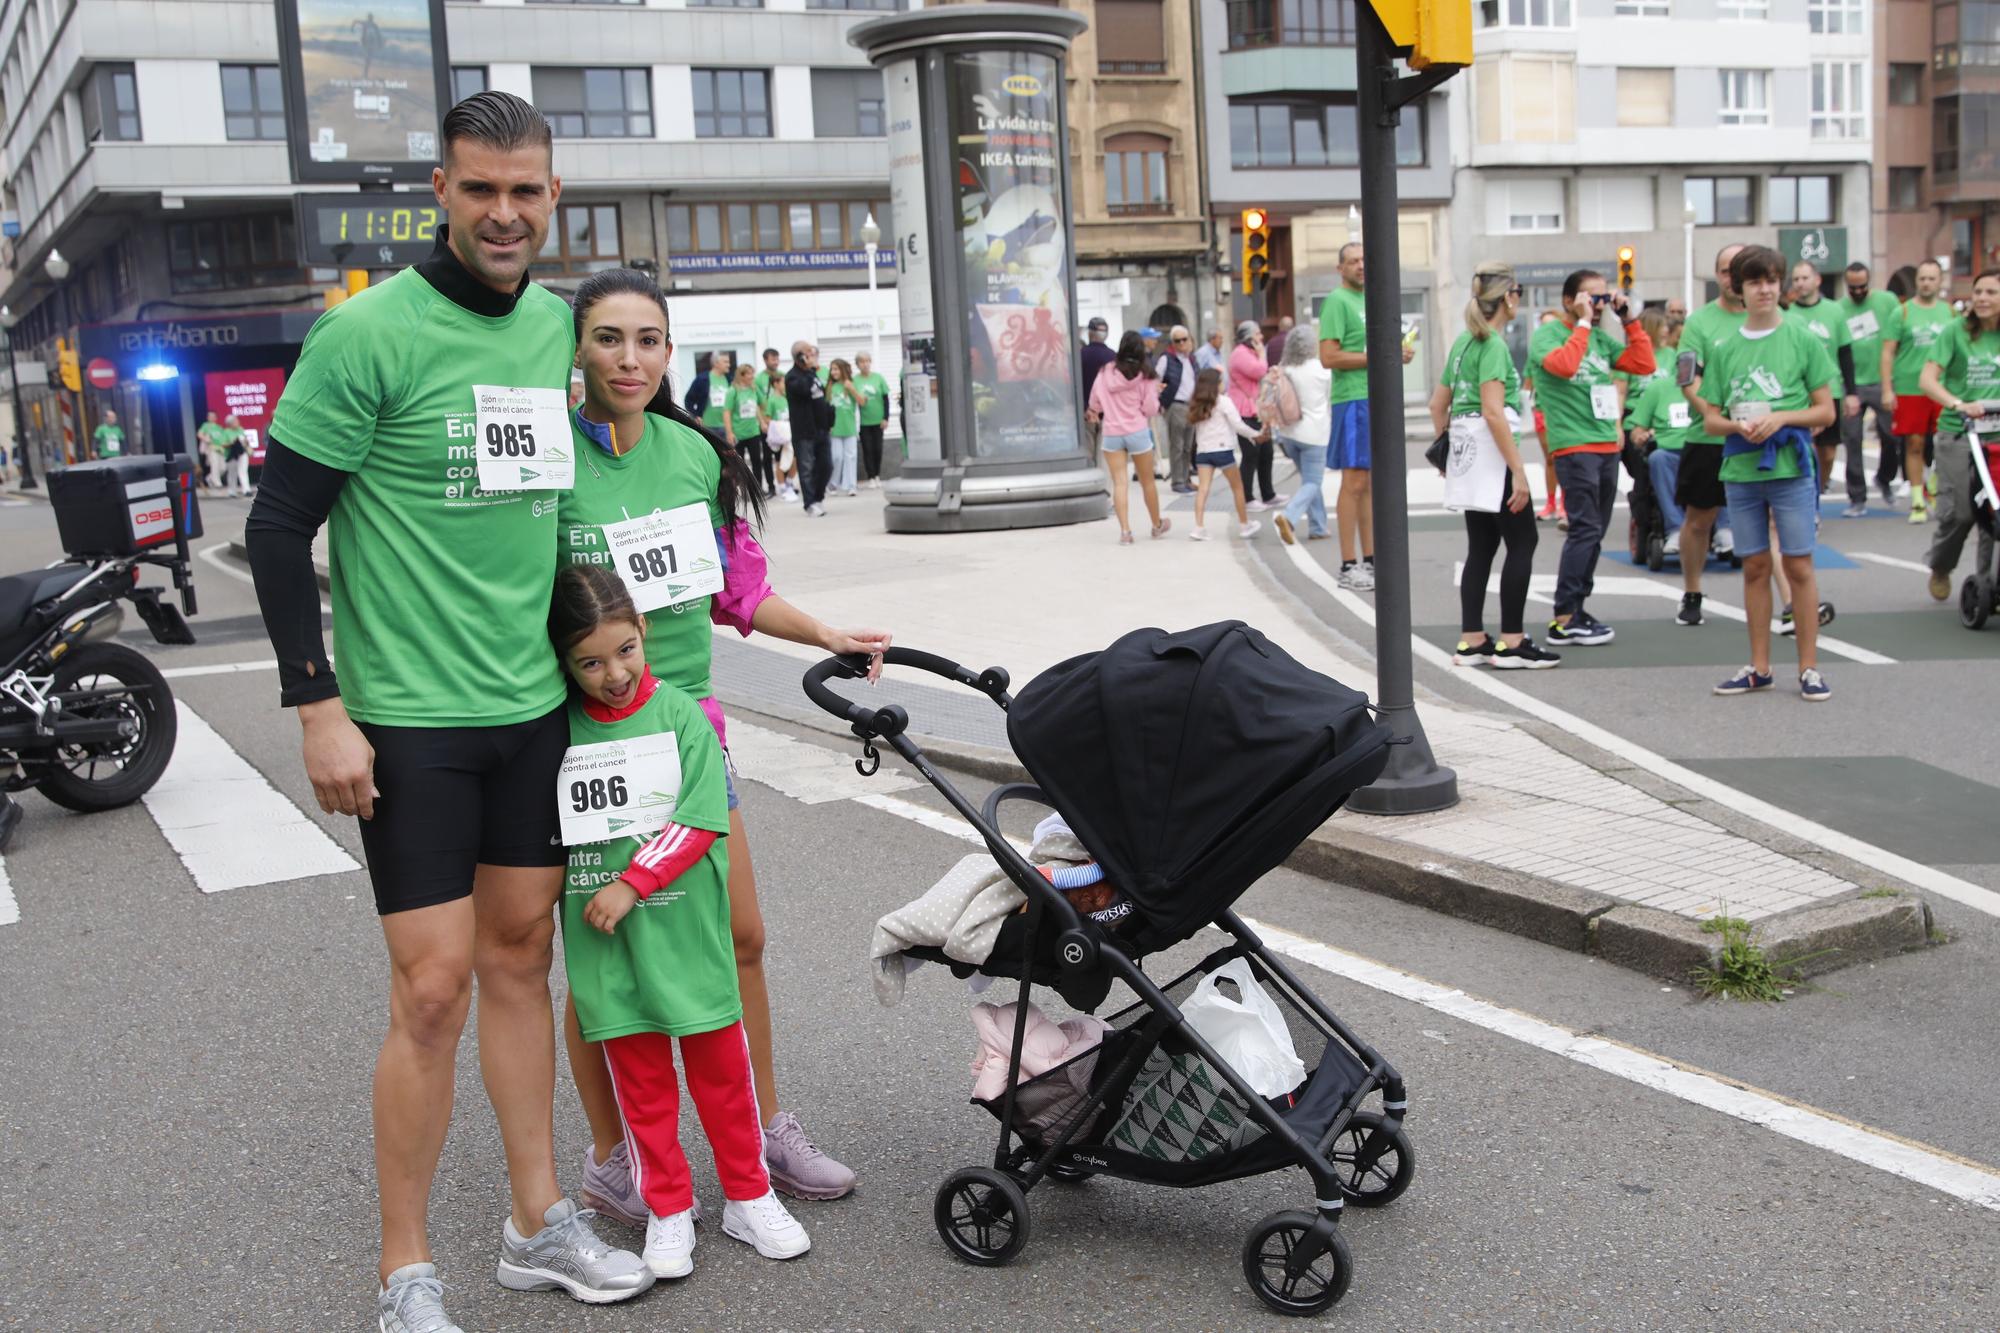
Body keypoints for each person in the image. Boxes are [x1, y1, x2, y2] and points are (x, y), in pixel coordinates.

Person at [245, 92, 653, 1332]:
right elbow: (275, 525)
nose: (504, 212)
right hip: (408, 721)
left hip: (529, 710)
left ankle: (537, 1223)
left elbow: (618, 444)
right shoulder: (366, 335)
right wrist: (317, 704)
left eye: (526, 190)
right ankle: (404, 1269)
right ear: (439, 191)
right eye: (480, 189)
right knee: (431, 990)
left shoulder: (551, 332)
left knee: (523, 962)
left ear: (554, 198)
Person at [558, 267, 887, 1218]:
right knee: (599, 954)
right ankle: (613, 1153)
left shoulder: (696, 455)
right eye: (610, 338)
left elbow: (734, 590)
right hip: (589, 745)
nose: (630, 358)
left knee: (741, 935)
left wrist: (825, 632)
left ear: (672, 351)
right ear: (577, 347)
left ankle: (765, 1127)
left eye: (649, 339)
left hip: (690, 734)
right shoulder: (548, 464)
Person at [548, 564, 813, 1278]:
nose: (614, 673)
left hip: (683, 928)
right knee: (642, 1086)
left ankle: (748, 1193)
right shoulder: (558, 726)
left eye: (626, 649)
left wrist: (635, 882)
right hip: (607, 944)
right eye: (591, 661)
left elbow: (699, 817)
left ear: (645, 633)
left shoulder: (680, 716)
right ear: (565, 664)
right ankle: (667, 1207)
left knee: (724, 1073)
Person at [1691, 244, 1836, 702]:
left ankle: (1809, 667)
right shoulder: (1727, 346)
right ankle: (1759, 667)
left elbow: (1826, 411)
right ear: (1738, 288)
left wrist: (1782, 418)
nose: (1765, 290)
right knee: (1753, 565)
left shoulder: (1802, 338)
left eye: (1772, 280)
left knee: (1798, 563)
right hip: (1740, 467)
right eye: (1755, 282)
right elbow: (1710, 417)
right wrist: (1738, 426)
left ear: (1782, 284)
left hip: (1791, 467)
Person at [1430, 262, 1557, 669]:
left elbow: (1438, 404)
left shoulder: (1464, 343)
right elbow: (1493, 411)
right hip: (1493, 454)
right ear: (1508, 297)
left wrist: (1447, 452)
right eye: (1516, 291)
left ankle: (1472, 639)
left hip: (1468, 452)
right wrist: (1518, 470)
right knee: (1523, 542)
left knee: (1481, 547)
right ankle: (1512, 640)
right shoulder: (1494, 346)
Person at [1530, 268, 1656, 646]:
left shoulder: (1600, 338)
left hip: (1605, 445)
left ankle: (1577, 608)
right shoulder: (1548, 335)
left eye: (1603, 297)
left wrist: (1629, 319)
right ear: (1570, 300)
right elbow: (1564, 366)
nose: (1599, 304)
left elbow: (1643, 364)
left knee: (1595, 532)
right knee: (1584, 529)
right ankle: (1565, 615)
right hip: (1574, 445)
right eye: (1591, 297)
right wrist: (1583, 322)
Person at [1319, 242, 1416, 589]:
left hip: (1375, 397)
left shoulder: (1370, 299)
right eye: (1353, 261)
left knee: (1370, 483)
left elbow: (1375, 351)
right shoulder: (1337, 301)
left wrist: (1396, 354)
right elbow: (1328, 356)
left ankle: (1371, 560)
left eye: (1365, 259)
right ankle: (1348, 565)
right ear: (1340, 268)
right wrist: (1380, 355)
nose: (1362, 265)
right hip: (1353, 399)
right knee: (1355, 482)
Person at [1674, 243, 1748, 628]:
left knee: (1768, 522)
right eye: (1725, 270)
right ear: (1717, 276)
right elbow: (1687, 378)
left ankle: (1786, 602)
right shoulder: (1699, 322)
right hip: (1708, 439)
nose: (1733, 278)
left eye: (1740, 270)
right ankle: (1692, 591)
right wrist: (1717, 415)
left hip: (1760, 440)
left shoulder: (1773, 318)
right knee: (1699, 520)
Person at [1919, 268, 2000, 603]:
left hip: (1996, 435)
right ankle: (1941, 565)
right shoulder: (1956, 332)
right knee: (1961, 513)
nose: (1982, 298)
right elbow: (1928, 379)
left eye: (1991, 293)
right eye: (1978, 292)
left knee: (1992, 514)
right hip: (1958, 433)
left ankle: (1987, 586)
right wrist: (1958, 403)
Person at [1783, 260, 1864, 515]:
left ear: (1817, 280)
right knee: (1802, 449)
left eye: (1804, 278)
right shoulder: (1787, 314)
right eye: (1795, 279)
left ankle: (1817, 490)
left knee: (1827, 453)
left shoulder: (1835, 311)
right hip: (1798, 394)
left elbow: (1845, 353)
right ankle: (1805, 504)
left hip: (1830, 391)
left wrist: (1852, 393)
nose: (1800, 283)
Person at [1882, 258, 1956, 523]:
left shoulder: (1950, 313)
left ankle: (1933, 484)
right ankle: (1917, 500)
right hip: (1909, 387)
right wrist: (1888, 389)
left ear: (1939, 281)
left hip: (1943, 389)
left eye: (1931, 278)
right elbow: (1888, 352)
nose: (1926, 283)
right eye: (1922, 278)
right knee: (1914, 443)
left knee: (1944, 443)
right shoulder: (1901, 313)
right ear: (1916, 282)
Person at [1085, 330, 1168, 545]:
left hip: (1112, 432)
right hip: (1137, 431)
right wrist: (1155, 397)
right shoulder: (1147, 374)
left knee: (1120, 483)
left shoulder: (1106, 371)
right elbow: (1150, 409)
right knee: (1148, 482)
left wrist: (1100, 409)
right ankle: (1157, 525)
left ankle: (1125, 532)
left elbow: (1094, 402)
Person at [1837, 262, 1903, 502]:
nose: (1857, 292)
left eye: (1861, 287)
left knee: (1891, 436)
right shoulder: (1839, 309)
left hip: (1882, 380)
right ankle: (1857, 496)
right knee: (1852, 439)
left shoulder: (1887, 301)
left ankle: (1885, 477)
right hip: (1851, 383)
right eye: (1852, 287)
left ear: (1869, 282)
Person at [1630, 315, 1692, 559]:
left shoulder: (1708, 385)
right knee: (1657, 459)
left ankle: (1724, 529)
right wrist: (1641, 435)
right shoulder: (1659, 387)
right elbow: (1637, 428)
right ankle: (1675, 528)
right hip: (1670, 450)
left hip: (1700, 448)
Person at [1183, 367, 1262, 542]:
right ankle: (1244, 524)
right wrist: (1255, 435)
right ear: (1215, 384)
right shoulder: (1224, 401)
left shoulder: (1196, 403)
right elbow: (1238, 425)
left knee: (1203, 489)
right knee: (1237, 487)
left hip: (1203, 452)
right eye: (1221, 381)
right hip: (1223, 450)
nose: (1223, 384)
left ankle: (1198, 527)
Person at [1272, 325, 1333, 545]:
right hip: (1315, 433)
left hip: (1288, 433)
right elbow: (1330, 399)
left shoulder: (1284, 368)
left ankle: (1318, 526)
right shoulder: (1322, 369)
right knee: (1313, 482)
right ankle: (1288, 517)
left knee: (1308, 480)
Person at [1228, 320, 1276, 509]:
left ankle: (1268, 494)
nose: (1261, 337)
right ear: (1248, 337)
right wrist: (1263, 354)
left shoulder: (1248, 352)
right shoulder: (1240, 354)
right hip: (1244, 410)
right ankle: (1246, 498)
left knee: (1266, 451)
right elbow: (1259, 371)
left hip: (1255, 409)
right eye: (1257, 334)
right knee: (1250, 453)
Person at [785, 341, 832, 516]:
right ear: (800, 356)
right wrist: (809, 369)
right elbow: (804, 390)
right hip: (804, 432)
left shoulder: (813, 374)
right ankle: (810, 503)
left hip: (821, 429)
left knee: (826, 466)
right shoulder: (792, 377)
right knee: (807, 468)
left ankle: (818, 498)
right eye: (808, 353)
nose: (813, 355)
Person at [1155, 325, 1197, 493]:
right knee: (1177, 445)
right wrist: (1161, 402)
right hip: (1176, 404)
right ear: (1172, 342)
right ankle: (1177, 481)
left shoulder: (1191, 359)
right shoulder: (1167, 358)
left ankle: (1186, 478)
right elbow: (1155, 381)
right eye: (1177, 341)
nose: (1181, 343)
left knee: (1188, 446)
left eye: (1184, 339)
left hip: (1191, 405)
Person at [722, 361, 770, 500]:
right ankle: (742, 491)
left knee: (756, 461)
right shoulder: (733, 391)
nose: (751, 377)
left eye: (752, 374)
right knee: (738, 464)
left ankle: (757, 489)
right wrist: (729, 432)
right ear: (741, 375)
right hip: (738, 433)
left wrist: (762, 420)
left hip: (753, 432)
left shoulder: (754, 389)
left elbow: (761, 405)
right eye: (749, 374)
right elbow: (727, 412)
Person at [1080, 317, 1116, 467]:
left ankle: (1089, 483)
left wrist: (1083, 408)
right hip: (1107, 414)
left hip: (1087, 412)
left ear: (1089, 333)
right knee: (1103, 456)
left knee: (1088, 453)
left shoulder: (1081, 355)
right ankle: (1104, 486)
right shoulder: (1113, 356)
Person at [853, 352, 889, 489]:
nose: (865, 364)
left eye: (867, 361)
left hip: (878, 420)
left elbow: (885, 399)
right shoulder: (855, 380)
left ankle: (878, 475)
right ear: (857, 364)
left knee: (877, 448)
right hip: (863, 422)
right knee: (867, 449)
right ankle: (870, 476)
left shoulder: (878, 378)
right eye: (862, 361)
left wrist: (885, 418)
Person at [825, 357, 860, 497]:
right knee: (836, 457)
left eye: (836, 369)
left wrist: (852, 389)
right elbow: (826, 407)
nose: (833, 372)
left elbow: (862, 401)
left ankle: (852, 485)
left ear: (843, 370)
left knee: (851, 457)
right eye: (832, 369)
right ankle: (833, 483)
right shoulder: (829, 387)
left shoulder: (851, 384)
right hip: (834, 429)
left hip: (849, 428)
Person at [224, 414, 254, 497]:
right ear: (230, 423)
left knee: (243, 471)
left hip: (242, 452)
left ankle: (246, 490)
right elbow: (223, 444)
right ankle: (232, 491)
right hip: (232, 455)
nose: (238, 422)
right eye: (236, 421)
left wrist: (246, 441)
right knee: (232, 473)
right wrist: (232, 442)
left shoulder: (240, 429)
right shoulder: (226, 432)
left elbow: (245, 440)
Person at [196, 410, 226, 490]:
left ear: (216, 417)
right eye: (209, 416)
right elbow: (199, 434)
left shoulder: (219, 427)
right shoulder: (205, 426)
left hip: (220, 449)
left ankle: (209, 478)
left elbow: (223, 438)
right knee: (214, 465)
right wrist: (206, 439)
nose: (211, 418)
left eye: (213, 416)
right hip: (211, 448)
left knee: (223, 468)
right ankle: (217, 483)